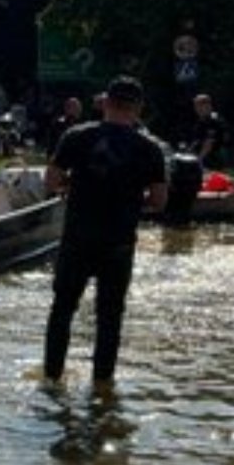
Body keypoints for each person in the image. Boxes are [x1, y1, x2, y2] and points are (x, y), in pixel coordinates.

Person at [42, 75, 168, 387]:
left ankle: (51, 379)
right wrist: (133, 199)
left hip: (77, 239)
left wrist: (73, 185)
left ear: (105, 103)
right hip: (119, 243)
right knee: (109, 319)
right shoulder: (149, 149)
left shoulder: (75, 136)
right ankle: (102, 387)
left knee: (62, 311)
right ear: (138, 108)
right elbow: (159, 200)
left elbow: (51, 181)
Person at [189, 93, 233, 168]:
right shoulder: (202, 121)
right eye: (196, 105)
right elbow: (198, 140)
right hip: (205, 157)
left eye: (199, 105)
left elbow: (209, 143)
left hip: (212, 160)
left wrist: (199, 160)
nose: (196, 108)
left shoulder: (213, 121)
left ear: (208, 106)